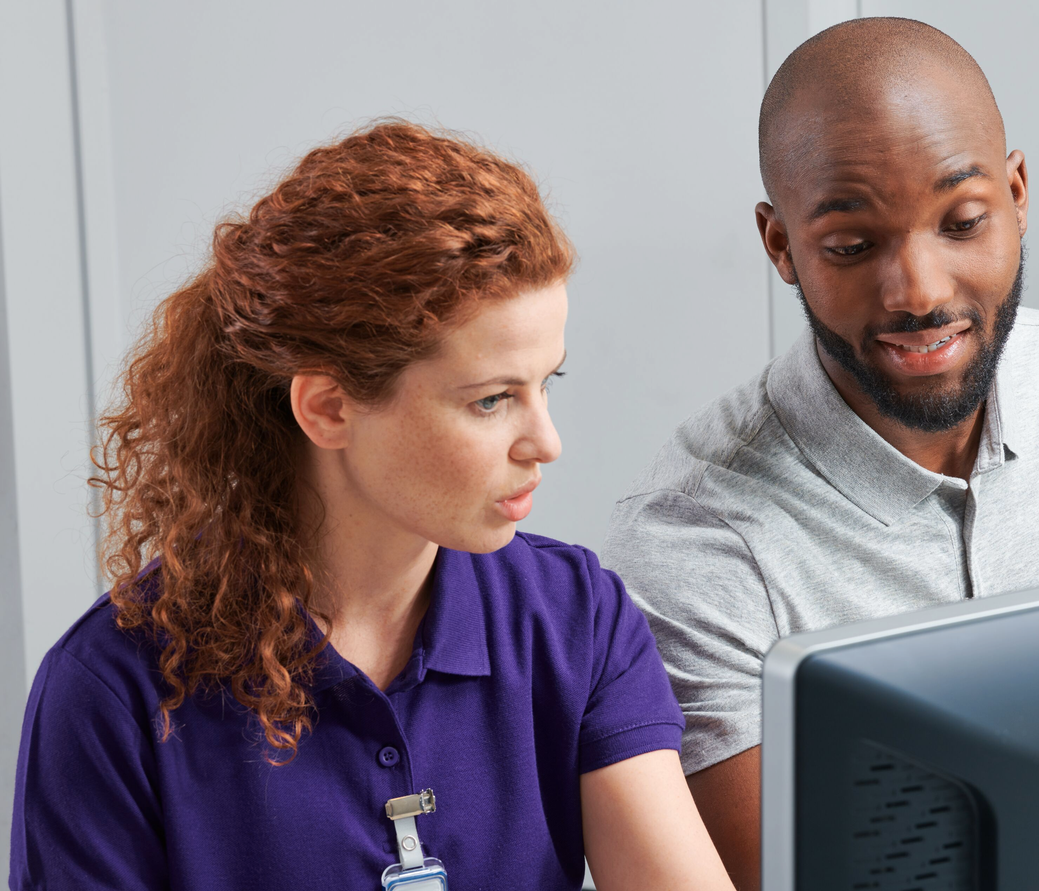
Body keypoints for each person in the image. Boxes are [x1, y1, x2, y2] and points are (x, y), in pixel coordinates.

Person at [9, 123, 734, 891]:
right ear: (327, 408)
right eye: (491, 400)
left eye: (545, 383)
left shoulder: (577, 618)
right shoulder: (109, 689)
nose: (544, 441)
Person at [603, 17, 1039, 889]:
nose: (918, 290)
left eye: (963, 221)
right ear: (781, 246)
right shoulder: (696, 541)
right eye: (852, 245)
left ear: (1019, 196)